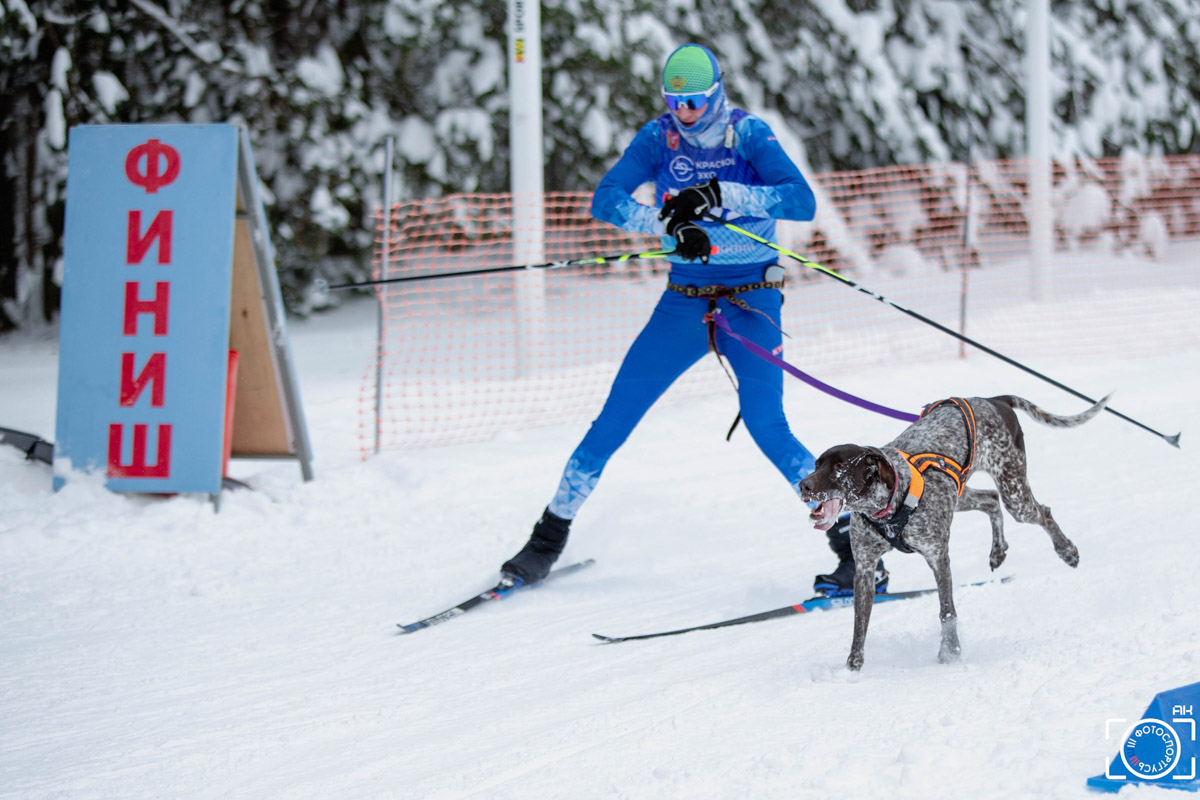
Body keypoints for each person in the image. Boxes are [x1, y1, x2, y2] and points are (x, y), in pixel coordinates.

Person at [500, 43, 886, 597]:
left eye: (693, 101)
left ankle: (855, 548)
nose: (683, 111)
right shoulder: (659, 137)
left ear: (716, 92)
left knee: (767, 426)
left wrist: (720, 194)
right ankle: (546, 540)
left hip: (751, 299)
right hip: (684, 301)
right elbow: (605, 201)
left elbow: (800, 203)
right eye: (674, 101)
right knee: (613, 420)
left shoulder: (746, 134)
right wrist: (666, 224)